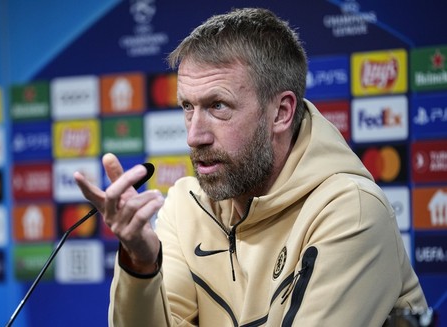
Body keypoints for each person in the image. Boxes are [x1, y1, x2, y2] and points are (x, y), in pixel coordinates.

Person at [74, 7, 427, 327]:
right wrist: (140, 264)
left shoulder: (352, 211)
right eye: (187, 107)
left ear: (281, 112)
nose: (194, 136)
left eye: (218, 106)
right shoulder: (185, 206)